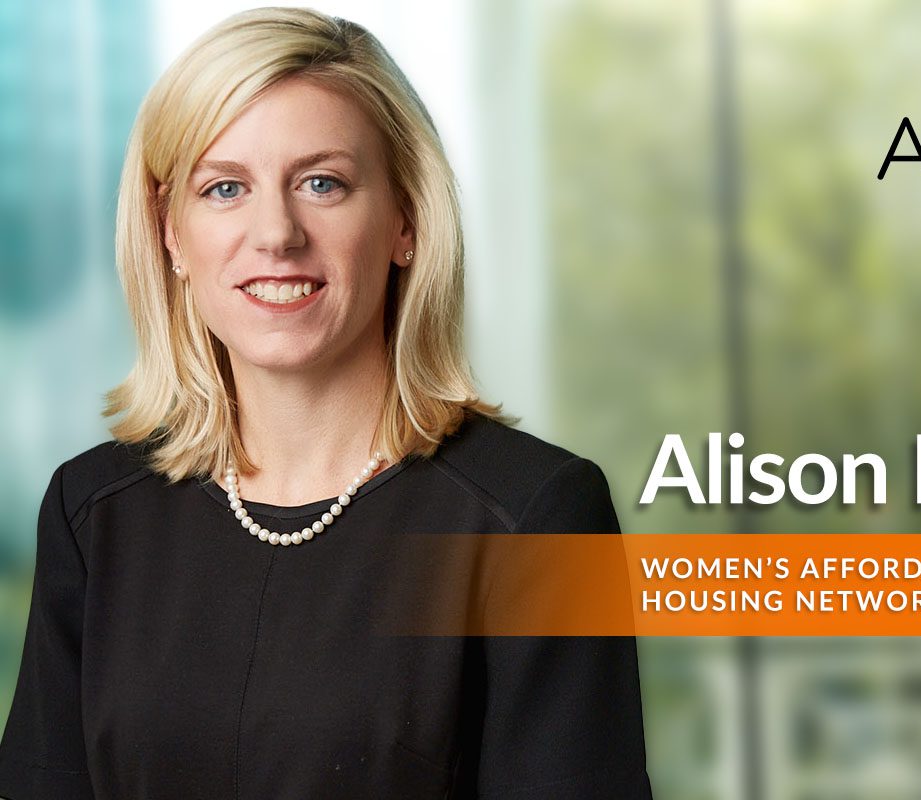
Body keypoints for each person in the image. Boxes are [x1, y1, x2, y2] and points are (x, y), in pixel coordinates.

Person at [0, 7, 653, 799]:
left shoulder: (535, 515)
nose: (275, 232)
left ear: (405, 221)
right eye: (224, 187)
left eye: (323, 183)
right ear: (170, 233)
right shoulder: (91, 511)